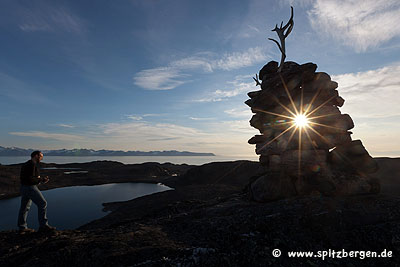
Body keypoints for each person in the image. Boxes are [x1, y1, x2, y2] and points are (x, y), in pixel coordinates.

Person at [17, 151, 56, 233]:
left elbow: (29, 178)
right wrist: (41, 179)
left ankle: (22, 227)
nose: (42, 158)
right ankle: (43, 226)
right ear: (36, 156)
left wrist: (39, 179)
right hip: (30, 188)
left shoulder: (27, 164)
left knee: (24, 208)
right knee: (42, 203)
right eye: (41, 156)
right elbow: (30, 179)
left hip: (24, 187)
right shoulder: (31, 165)